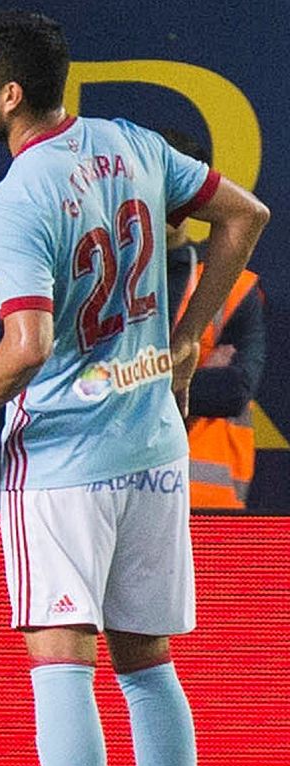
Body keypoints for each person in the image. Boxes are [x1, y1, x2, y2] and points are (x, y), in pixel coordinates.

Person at [0, 11, 269, 766]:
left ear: (10, 95)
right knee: (148, 661)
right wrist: (187, 344)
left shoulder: (16, 198)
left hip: (63, 456)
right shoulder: (132, 144)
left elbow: (31, 342)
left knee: (60, 659)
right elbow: (246, 215)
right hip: (153, 446)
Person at [161, 131, 269, 509]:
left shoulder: (236, 290)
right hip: (118, 489)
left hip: (206, 500)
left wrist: (131, 380)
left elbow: (232, 390)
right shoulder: (105, 281)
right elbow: (92, 383)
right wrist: (179, 374)